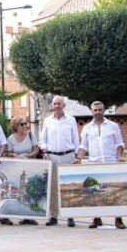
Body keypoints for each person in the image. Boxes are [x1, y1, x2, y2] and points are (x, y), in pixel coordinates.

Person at [77, 101, 126, 229]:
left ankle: (118, 219)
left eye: (100, 110)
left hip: (111, 162)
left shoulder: (113, 126)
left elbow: (119, 143)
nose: (97, 112)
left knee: (114, 191)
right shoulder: (87, 128)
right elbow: (83, 146)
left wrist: (119, 156)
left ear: (104, 110)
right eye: (95, 110)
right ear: (91, 111)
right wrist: (78, 158)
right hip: (94, 163)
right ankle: (96, 218)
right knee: (95, 192)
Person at [40, 96, 80, 227]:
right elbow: (43, 139)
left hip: (68, 156)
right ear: (52, 105)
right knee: (52, 188)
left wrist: (77, 156)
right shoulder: (47, 121)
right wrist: (45, 151)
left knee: (68, 186)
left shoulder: (71, 120)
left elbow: (75, 139)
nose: (57, 106)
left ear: (64, 105)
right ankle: (53, 215)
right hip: (52, 157)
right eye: (55, 103)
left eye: (59, 103)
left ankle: (70, 216)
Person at [5, 115, 40, 225]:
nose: (25, 126)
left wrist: (30, 155)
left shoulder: (31, 135)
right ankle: (22, 216)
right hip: (18, 167)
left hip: (30, 166)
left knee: (31, 190)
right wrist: (13, 155)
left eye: (26, 123)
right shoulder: (10, 138)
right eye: (22, 124)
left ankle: (31, 216)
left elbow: (36, 150)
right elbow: (8, 153)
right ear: (16, 126)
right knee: (22, 190)